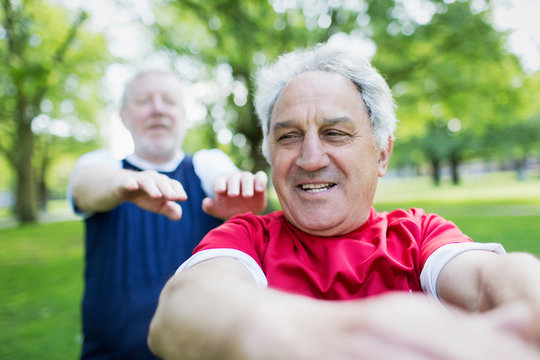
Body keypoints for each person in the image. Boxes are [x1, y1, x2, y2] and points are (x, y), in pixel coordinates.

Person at [147, 43, 540, 359]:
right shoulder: (247, 237)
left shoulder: (419, 236)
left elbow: (489, 278)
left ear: (382, 154)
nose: (311, 158)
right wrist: (333, 335)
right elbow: (183, 310)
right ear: (270, 154)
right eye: (288, 137)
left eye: (335, 133)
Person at [68, 69, 268, 360]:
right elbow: (84, 185)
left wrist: (236, 192)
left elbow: (223, 177)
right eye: (144, 101)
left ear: (183, 116)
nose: (158, 109)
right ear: (124, 115)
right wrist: (122, 184)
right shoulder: (103, 164)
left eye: (168, 101)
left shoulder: (205, 164)